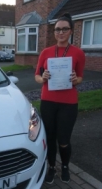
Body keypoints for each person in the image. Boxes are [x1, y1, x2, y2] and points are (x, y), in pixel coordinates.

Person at [34, 13, 85, 184]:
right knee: (49, 137)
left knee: (63, 140)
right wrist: (44, 78)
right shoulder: (46, 52)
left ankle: (64, 166)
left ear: (71, 31)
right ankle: (50, 166)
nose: (60, 32)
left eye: (64, 29)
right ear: (54, 32)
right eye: (57, 29)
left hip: (68, 103)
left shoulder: (78, 53)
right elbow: (37, 76)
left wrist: (74, 79)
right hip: (48, 100)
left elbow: (80, 78)